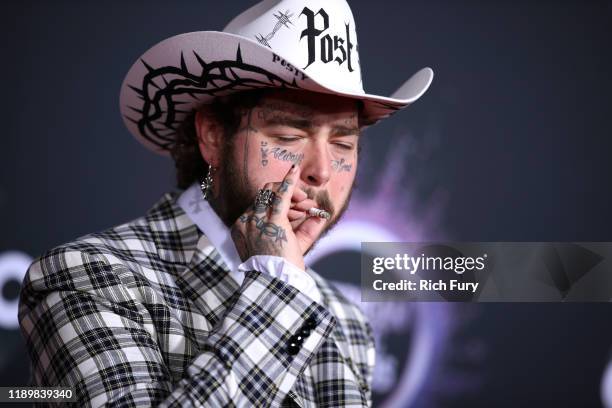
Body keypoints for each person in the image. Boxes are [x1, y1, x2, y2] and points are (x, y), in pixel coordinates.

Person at [18, 0, 433, 406]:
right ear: (213, 136)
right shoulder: (88, 277)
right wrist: (279, 285)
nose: (321, 171)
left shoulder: (346, 317)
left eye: (344, 143)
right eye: (288, 136)